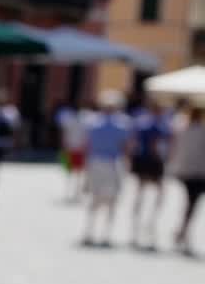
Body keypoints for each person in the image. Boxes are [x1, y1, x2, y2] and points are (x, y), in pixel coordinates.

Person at [81, 90, 133, 247]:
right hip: (111, 164)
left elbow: (87, 146)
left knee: (95, 199)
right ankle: (105, 234)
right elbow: (126, 148)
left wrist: (86, 169)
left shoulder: (92, 122)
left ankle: (90, 232)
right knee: (111, 201)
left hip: (96, 163)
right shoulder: (123, 124)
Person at [129, 102, 172, 249]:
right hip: (153, 161)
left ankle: (137, 225)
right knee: (157, 194)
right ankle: (148, 223)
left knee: (141, 193)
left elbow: (134, 142)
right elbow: (156, 145)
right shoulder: (159, 126)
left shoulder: (142, 122)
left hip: (142, 160)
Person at [168, 106, 205, 256]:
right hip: (198, 172)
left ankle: (182, 231)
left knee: (189, 203)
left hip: (185, 170)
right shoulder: (200, 131)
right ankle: (183, 232)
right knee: (192, 204)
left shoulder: (182, 128)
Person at [57, 101, 93, 203]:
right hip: (71, 148)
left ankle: (76, 192)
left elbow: (87, 136)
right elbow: (64, 134)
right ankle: (69, 192)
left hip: (79, 149)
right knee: (70, 172)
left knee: (78, 173)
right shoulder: (69, 118)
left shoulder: (87, 118)